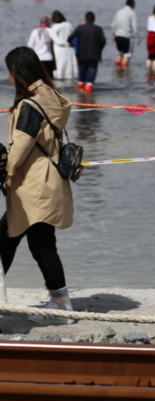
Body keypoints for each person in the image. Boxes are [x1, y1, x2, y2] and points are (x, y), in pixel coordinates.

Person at [2, 47, 75, 324]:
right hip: (49, 182)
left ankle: (62, 306)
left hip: (34, 186)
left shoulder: (29, 105)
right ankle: (61, 301)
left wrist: (4, 172)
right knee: (35, 243)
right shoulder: (49, 93)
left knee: (28, 243)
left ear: (18, 72)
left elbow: (19, 149)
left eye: (9, 70)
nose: (7, 76)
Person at [69, 11, 106, 94]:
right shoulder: (98, 29)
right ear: (94, 19)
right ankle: (88, 97)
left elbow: (70, 38)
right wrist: (99, 49)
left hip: (81, 56)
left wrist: (72, 44)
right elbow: (103, 41)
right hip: (94, 56)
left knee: (81, 77)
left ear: (85, 19)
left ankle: (80, 95)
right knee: (90, 78)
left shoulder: (80, 28)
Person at [110, 0, 139, 67]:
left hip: (118, 36)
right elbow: (134, 27)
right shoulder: (132, 13)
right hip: (127, 37)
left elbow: (113, 25)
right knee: (127, 55)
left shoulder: (119, 12)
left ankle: (117, 72)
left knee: (119, 54)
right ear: (133, 5)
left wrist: (113, 35)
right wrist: (137, 38)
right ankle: (124, 74)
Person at [48, 12, 76, 81]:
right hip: (69, 48)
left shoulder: (54, 27)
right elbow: (73, 35)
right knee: (69, 67)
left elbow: (49, 36)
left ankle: (60, 81)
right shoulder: (68, 25)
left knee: (60, 66)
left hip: (59, 49)